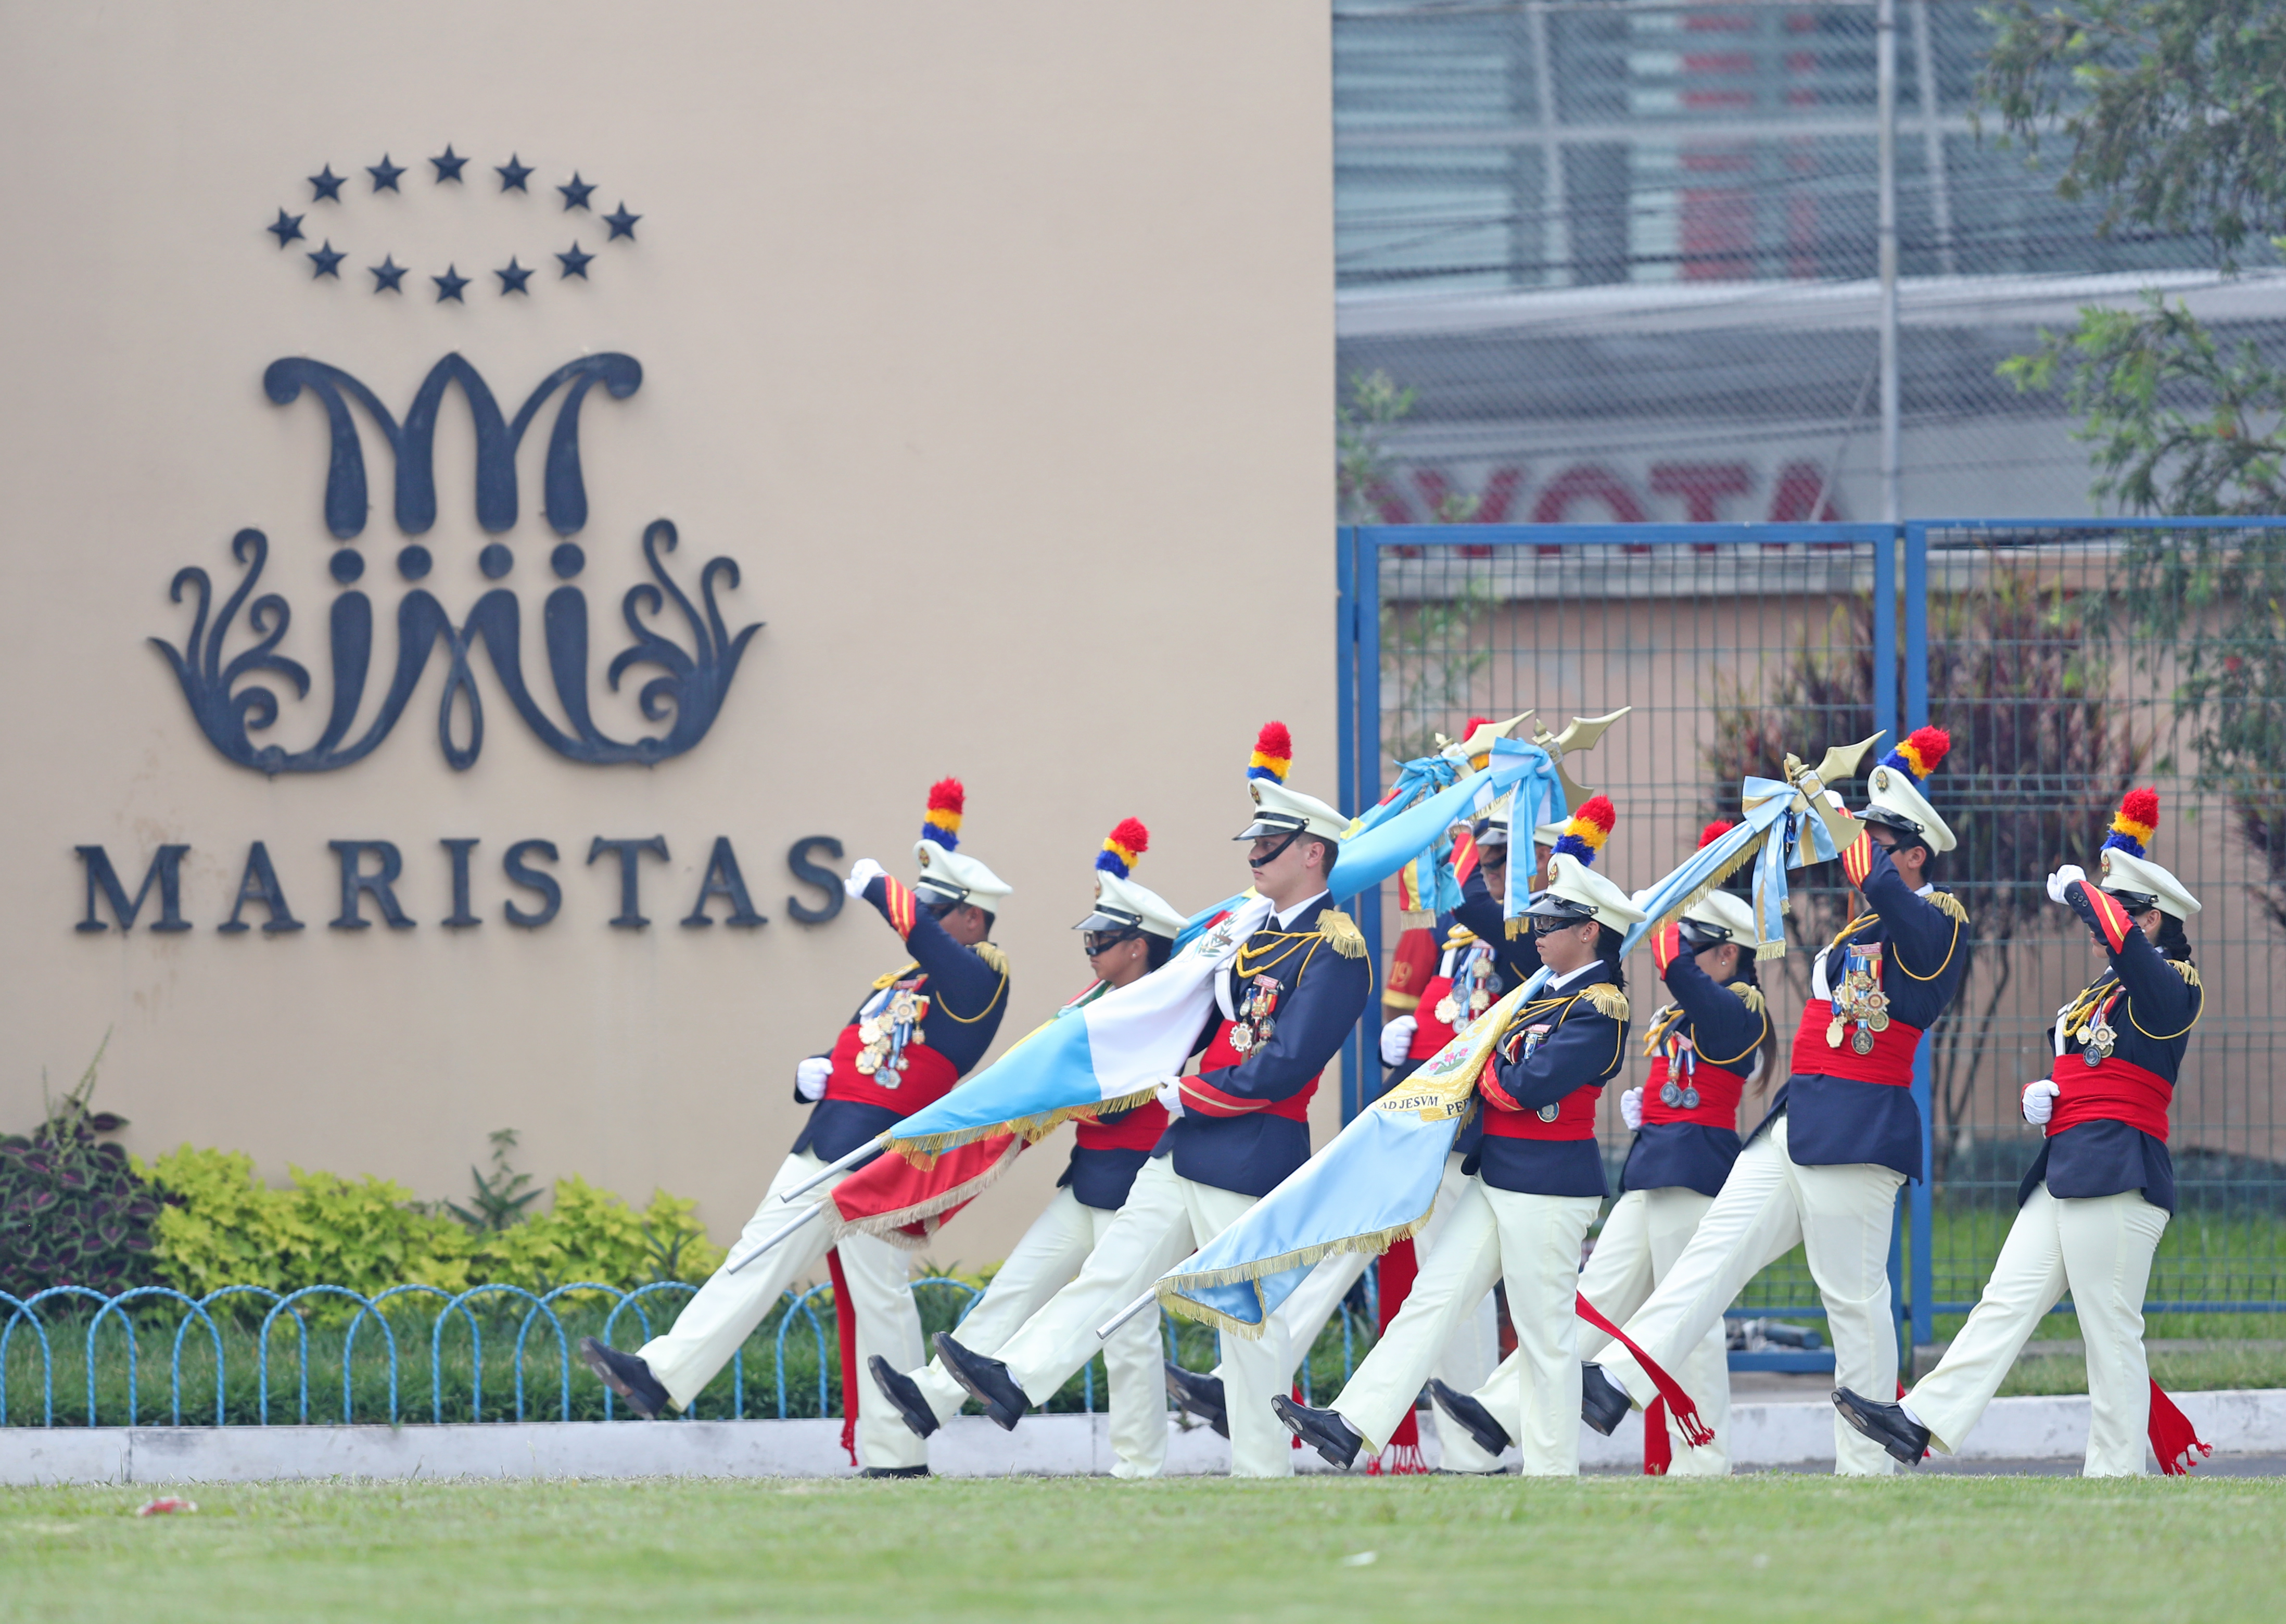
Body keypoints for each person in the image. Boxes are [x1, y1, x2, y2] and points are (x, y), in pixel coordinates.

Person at [931, 722, 1373, 1478]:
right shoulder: (1246, 937)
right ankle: (1019, 1378)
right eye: (1252, 846)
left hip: (1248, 1145)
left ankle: (1263, 1471)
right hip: (1188, 1140)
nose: (1253, 858)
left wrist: (1192, 1090)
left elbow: (1286, 1064)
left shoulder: (1336, 949)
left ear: (1311, 853)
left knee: (1246, 1321)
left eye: (1268, 846)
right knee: (1112, 1276)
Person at [578, 779, 1011, 1477]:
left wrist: (883, 892)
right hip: (836, 1142)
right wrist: (812, 1070)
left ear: (970, 921)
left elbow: (932, 958)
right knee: (854, 1292)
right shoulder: (899, 982)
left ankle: (666, 1376)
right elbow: (864, 1049)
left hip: (876, 1156)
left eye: (938, 910)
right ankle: (893, 1453)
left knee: (786, 1269)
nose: (924, 919)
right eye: (923, 905)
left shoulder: (982, 979)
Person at [1582, 729, 1968, 1476]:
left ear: (1915, 853)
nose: (1864, 850)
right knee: (1709, 1260)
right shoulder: (1868, 925)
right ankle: (1615, 1384)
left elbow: (1883, 887)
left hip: (1858, 1132)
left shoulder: (1938, 922)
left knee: (1853, 1303)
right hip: (1799, 1120)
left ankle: (1869, 1470)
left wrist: (1828, 804)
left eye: (1881, 838)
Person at [1835, 788, 2207, 1476]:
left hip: (2120, 1171)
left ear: (2152, 920)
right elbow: (2097, 1058)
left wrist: (2081, 892)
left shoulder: (2175, 984)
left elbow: (2133, 970)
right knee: (2002, 1303)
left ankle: (2115, 1471)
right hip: (2068, 1162)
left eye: (2121, 910)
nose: (2104, 925)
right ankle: (1919, 1421)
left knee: (2111, 1330)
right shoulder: (2104, 991)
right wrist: (2051, 1095)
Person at [1275, 796, 1642, 1476]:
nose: (1536, 932)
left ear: (1591, 933)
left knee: (1545, 1337)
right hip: (1500, 1174)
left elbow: (1518, 1086)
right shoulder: (1540, 993)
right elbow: (1495, 1059)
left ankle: (1552, 1471)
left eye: (1553, 922)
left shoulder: (1600, 1008)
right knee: (1432, 1300)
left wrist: (1480, 1065)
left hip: (1548, 1188)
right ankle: (1354, 1422)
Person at [1431, 819, 1774, 1476]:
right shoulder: (1687, 1007)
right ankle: (1503, 1411)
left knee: (1688, 1323)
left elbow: (1707, 1011)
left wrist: (1669, 939)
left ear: (1729, 955)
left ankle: (1703, 1454)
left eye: (1699, 947)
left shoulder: (1743, 1002)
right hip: (1655, 1165)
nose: (1681, 958)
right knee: (1586, 1301)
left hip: (1697, 1171)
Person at [867, 818, 1184, 1478]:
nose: (1091, 949)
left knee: (1125, 1331)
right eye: (1091, 936)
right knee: (1012, 1288)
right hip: (1089, 1174)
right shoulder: (1092, 1004)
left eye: (1104, 939)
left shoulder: (1166, 1009)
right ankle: (932, 1397)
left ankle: (1139, 1465)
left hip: (1139, 1181)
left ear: (1139, 948)